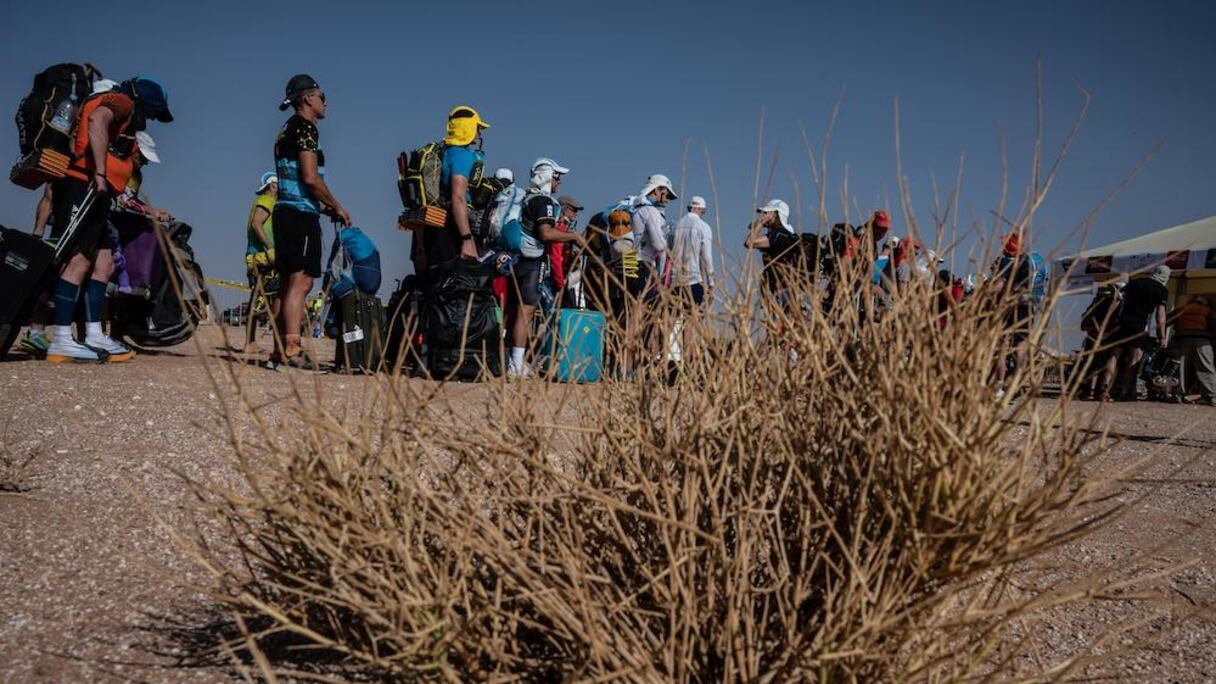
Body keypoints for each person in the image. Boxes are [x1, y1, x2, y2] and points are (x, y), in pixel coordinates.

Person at [44, 76, 173, 363]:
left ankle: (94, 334)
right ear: (143, 103)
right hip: (85, 184)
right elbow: (97, 121)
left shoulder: (123, 106)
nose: (148, 120)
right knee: (79, 259)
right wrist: (101, 173)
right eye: (151, 113)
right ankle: (62, 338)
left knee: (104, 263)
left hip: (98, 192)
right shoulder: (122, 102)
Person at [271, 74, 350, 369]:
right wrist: (336, 205)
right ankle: (292, 347)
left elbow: (296, 178)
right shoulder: (305, 128)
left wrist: (321, 203)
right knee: (302, 281)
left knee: (287, 282)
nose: (325, 102)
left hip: (288, 209)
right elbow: (310, 177)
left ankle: (280, 347)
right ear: (307, 98)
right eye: (321, 95)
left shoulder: (286, 129)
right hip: (299, 213)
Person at [503, 158, 585, 378]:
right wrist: (574, 237)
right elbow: (546, 234)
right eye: (557, 177)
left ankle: (507, 360)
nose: (558, 182)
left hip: (515, 259)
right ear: (547, 176)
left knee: (512, 311)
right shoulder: (544, 202)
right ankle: (516, 365)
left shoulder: (525, 198)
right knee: (526, 312)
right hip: (532, 262)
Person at [418, 106, 490, 271]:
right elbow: (458, 197)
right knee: (458, 286)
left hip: (433, 224)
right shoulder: (462, 155)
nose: (479, 134)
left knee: (434, 284)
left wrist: (419, 247)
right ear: (468, 129)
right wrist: (467, 239)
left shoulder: (443, 151)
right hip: (451, 227)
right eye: (477, 128)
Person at [1096, 265, 1171, 402]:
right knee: (1134, 358)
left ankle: (1104, 388)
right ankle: (1124, 391)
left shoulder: (1135, 282)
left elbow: (1117, 301)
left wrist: (1108, 321)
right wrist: (1162, 336)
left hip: (1121, 323)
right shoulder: (1162, 290)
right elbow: (1160, 315)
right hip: (1139, 326)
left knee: (1114, 355)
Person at [990, 233, 1035, 395]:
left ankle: (999, 386)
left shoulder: (1002, 262)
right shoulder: (1027, 262)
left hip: (1006, 309)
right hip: (1025, 308)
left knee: (1002, 348)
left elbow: (998, 286)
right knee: (1020, 349)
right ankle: (1018, 384)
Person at [744, 199, 801, 311]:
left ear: (776, 214)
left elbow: (749, 243)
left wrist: (760, 223)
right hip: (782, 289)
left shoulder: (779, 234)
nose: (762, 215)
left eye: (766, 212)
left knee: (779, 325)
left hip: (782, 290)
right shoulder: (786, 235)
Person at [244, 172, 279, 349]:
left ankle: (250, 342)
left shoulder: (266, 202)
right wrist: (270, 246)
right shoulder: (267, 201)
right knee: (266, 299)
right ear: (272, 186)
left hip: (257, 257)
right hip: (262, 258)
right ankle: (250, 343)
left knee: (259, 299)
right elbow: (257, 223)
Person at [1168, 295, 1215, 405]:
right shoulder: (1207, 310)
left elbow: (1166, 321)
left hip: (1183, 338)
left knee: (1180, 368)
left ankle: (1178, 395)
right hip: (1202, 340)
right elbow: (1213, 324)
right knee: (1206, 368)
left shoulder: (1181, 310)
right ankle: (1212, 397)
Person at [671, 195, 716, 310]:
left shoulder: (676, 226)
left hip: (674, 281)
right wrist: (711, 283)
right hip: (693, 280)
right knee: (693, 321)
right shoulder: (704, 227)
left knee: (673, 323)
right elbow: (707, 257)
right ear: (702, 210)